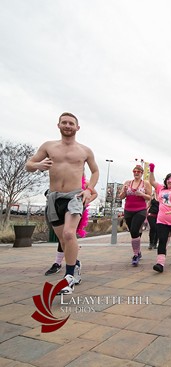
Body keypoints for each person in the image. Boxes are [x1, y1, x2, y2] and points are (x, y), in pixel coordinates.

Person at [26, 112, 99, 294]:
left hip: (74, 197)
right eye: (64, 123)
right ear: (58, 125)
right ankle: (76, 265)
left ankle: (68, 279)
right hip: (53, 197)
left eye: (71, 123)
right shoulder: (49, 146)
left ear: (77, 127)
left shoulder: (85, 150)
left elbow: (95, 171)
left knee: (68, 233)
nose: (68, 125)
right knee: (63, 239)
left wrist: (89, 189)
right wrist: (37, 165)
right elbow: (29, 164)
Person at [119, 165, 152, 266]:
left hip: (140, 210)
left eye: (138, 171)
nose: (136, 173)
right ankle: (138, 251)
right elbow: (120, 197)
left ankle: (135, 255)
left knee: (134, 230)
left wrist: (141, 194)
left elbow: (150, 197)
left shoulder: (145, 183)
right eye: (134, 171)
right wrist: (124, 191)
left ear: (142, 173)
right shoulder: (127, 183)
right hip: (128, 210)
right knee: (133, 232)